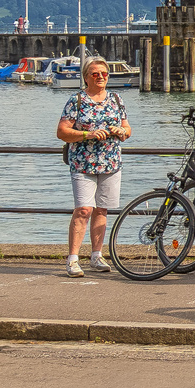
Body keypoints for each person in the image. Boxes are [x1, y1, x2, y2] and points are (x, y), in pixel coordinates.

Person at [54, 56, 130, 277]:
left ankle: (96, 255)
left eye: (104, 73)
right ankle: (73, 259)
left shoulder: (116, 99)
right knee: (83, 210)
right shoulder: (76, 100)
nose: (100, 77)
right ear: (86, 77)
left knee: (102, 210)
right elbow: (62, 132)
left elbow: (127, 128)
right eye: (95, 74)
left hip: (111, 162)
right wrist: (88, 134)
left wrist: (121, 132)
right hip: (83, 163)